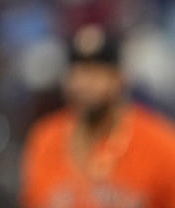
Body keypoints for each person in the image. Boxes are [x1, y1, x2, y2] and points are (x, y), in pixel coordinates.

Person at [21, 24, 175, 208]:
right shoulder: (45, 138)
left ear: (120, 78)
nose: (84, 83)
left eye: (95, 72)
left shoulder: (161, 142)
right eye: (77, 71)